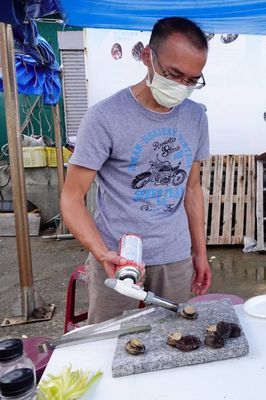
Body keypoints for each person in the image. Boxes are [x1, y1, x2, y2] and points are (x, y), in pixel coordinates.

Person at [61, 17, 212, 323]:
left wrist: (199, 251)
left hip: (175, 255)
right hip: (119, 258)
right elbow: (71, 198)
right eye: (174, 74)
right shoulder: (104, 117)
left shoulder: (196, 116)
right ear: (147, 57)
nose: (181, 87)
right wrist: (102, 254)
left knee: (175, 336)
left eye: (192, 80)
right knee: (108, 341)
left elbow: (192, 189)